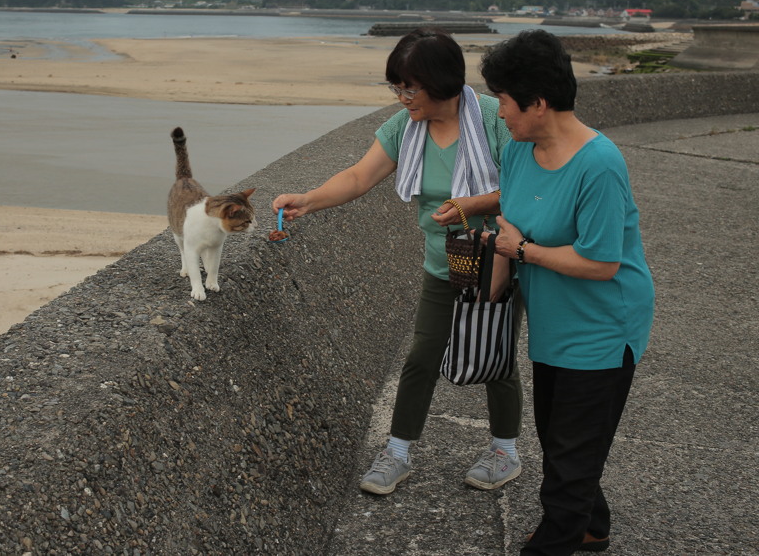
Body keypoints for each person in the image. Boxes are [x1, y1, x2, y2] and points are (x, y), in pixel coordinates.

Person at [272, 28, 524, 496]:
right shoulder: (404, 127)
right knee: (421, 358)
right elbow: (358, 175)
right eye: (397, 87)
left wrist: (471, 204)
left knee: (496, 354)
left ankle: (505, 451)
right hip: (443, 263)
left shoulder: (493, 120)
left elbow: (523, 190)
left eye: (409, 87)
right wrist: (309, 199)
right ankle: (398, 452)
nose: (402, 96)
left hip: (497, 260)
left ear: (441, 83)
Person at [479, 30, 654, 555]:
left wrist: (524, 252)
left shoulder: (599, 164)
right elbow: (510, 232)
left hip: (603, 325)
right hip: (553, 321)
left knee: (570, 460)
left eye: (505, 102)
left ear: (538, 102)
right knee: (561, 442)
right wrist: (483, 298)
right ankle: (593, 527)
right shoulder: (519, 150)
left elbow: (602, 263)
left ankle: (557, 538)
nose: (500, 113)